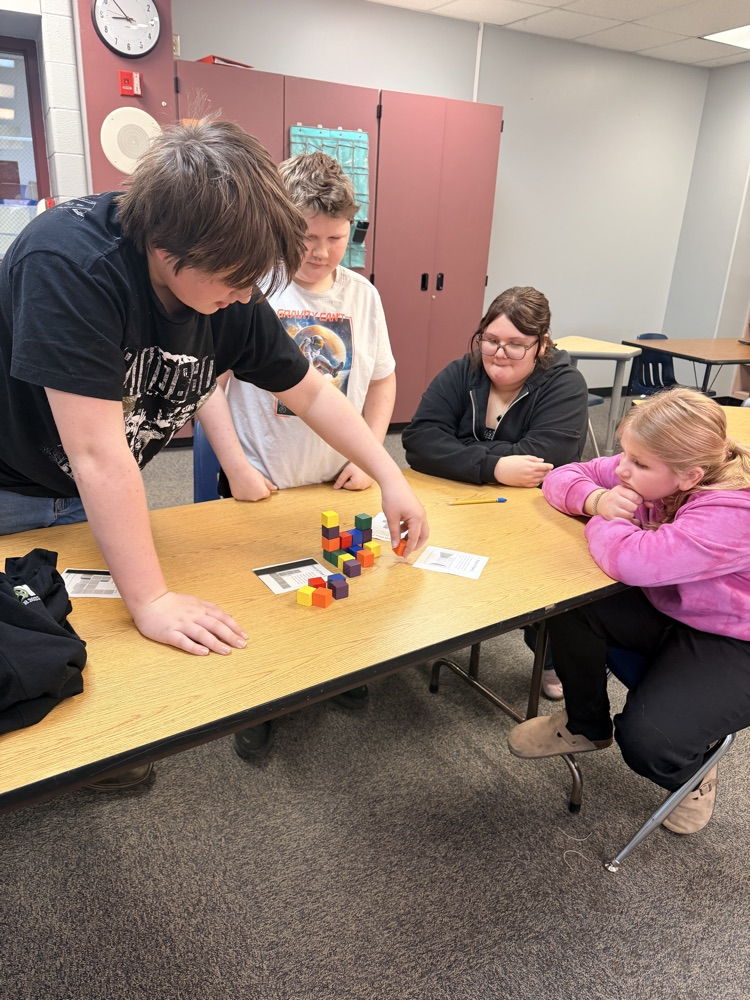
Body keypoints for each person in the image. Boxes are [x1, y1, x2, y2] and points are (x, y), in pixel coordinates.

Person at [0, 120, 427, 789]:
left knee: (94, 648)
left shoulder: (232, 289)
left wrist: (387, 474)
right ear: (169, 252)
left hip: (97, 488)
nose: (249, 295)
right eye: (237, 279)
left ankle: (93, 750)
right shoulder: (69, 263)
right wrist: (152, 599)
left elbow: (313, 394)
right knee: (28, 644)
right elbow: (96, 454)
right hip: (15, 485)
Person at [507, 388, 750, 835]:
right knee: (568, 599)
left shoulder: (734, 511)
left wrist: (603, 518)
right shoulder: (656, 465)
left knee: (650, 743)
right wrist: (595, 499)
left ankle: (693, 772)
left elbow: (634, 561)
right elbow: (565, 475)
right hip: (679, 604)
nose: (621, 469)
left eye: (637, 464)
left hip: (735, 638)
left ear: (690, 476)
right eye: (624, 454)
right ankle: (585, 723)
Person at [219, 151, 397, 758]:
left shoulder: (362, 295)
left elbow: (382, 381)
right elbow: (207, 392)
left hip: (333, 482)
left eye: (335, 238)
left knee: (336, 582)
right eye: (306, 237)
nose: (321, 252)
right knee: (260, 601)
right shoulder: (252, 286)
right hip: (262, 478)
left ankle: (332, 677)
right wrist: (237, 468)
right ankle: (259, 703)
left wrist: (368, 454)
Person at [401, 285, 589, 699]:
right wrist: (496, 465)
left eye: (516, 345)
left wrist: (460, 452)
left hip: (532, 516)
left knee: (547, 576)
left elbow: (544, 460)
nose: (499, 353)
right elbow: (418, 440)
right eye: (491, 340)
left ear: (540, 345)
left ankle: (550, 658)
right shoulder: (461, 371)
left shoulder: (565, 384)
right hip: (460, 502)